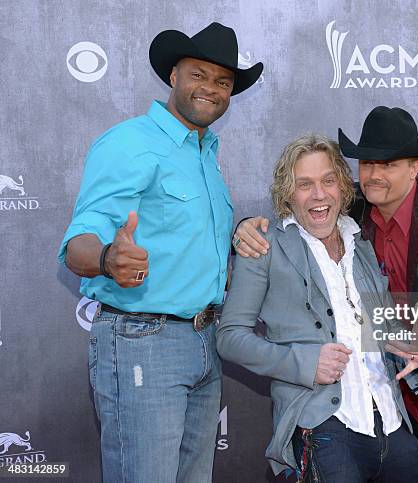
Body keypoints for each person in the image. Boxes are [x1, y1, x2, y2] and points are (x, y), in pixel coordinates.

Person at [233, 107, 418, 483]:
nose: (375, 175)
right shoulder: (354, 210)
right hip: (412, 388)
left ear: (415, 167)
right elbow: (304, 203)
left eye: (389, 164)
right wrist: (245, 228)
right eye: (367, 163)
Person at [58, 22, 262, 483]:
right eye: (198, 75)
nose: (210, 88)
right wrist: (109, 257)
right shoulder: (129, 142)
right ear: (173, 76)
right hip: (143, 342)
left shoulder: (205, 154)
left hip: (205, 340)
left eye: (223, 82)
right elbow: (78, 244)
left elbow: (190, 244)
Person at [217, 134, 418, 482]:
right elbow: (229, 337)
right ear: (288, 193)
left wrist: (409, 345)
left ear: (342, 189)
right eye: (305, 184)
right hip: (323, 427)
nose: (318, 194)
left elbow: (377, 328)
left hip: (390, 423)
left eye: (328, 181)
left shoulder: (361, 243)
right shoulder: (264, 247)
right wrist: (304, 362)